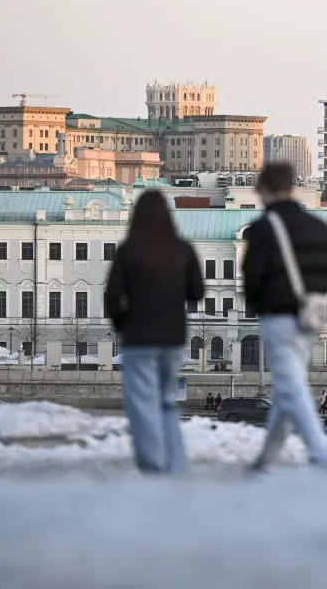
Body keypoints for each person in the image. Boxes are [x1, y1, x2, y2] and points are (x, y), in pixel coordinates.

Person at [242, 161, 327, 471]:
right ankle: (267, 457)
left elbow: (252, 276)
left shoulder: (263, 228)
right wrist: (312, 298)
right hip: (309, 315)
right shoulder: (318, 227)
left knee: (291, 383)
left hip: (278, 316)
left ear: (265, 189)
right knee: (288, 385)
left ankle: (320, 451)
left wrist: (258, 304)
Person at [104, 189, 205, 475]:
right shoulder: (182, 249)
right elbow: (196, 291)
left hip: (138, 337)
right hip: (172, 336)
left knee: (141, 404)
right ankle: (176, 461)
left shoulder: (129, 250)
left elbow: (112, 296)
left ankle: (152, 462)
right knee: (165, 401)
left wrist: (123, 324)